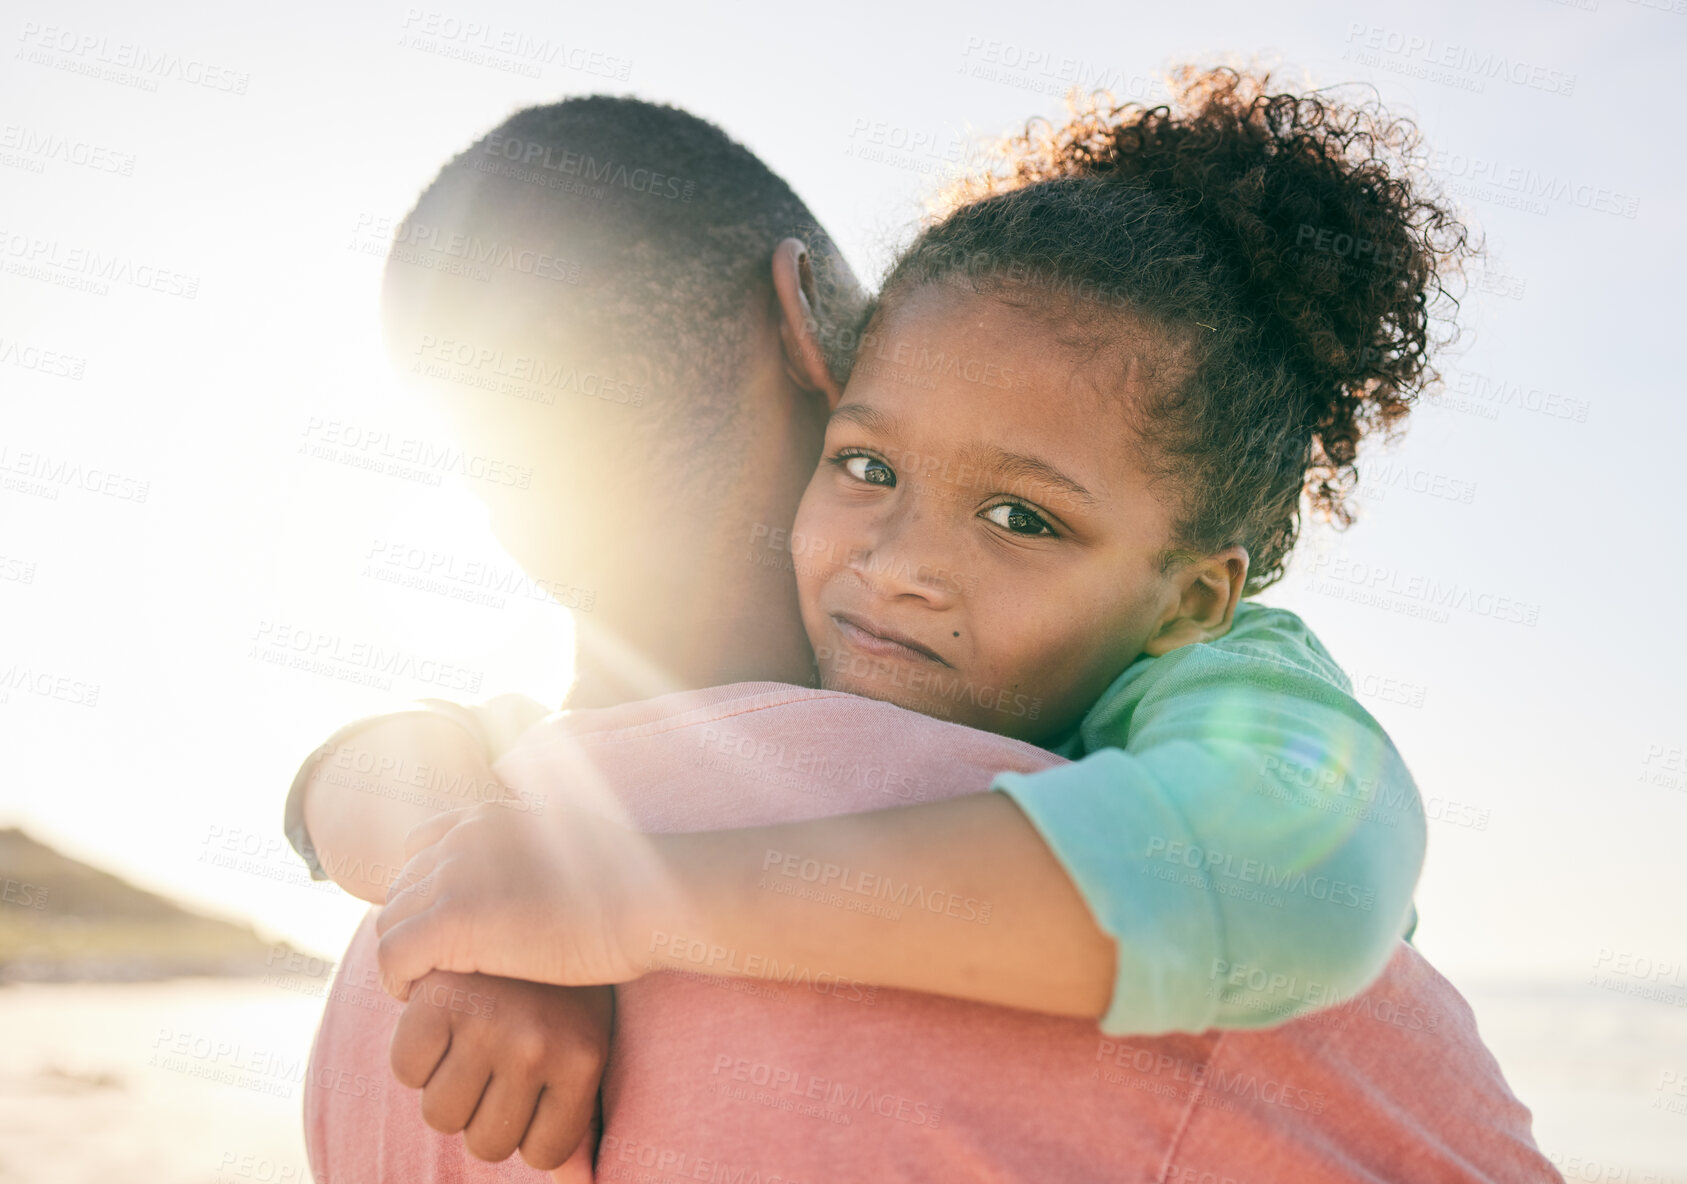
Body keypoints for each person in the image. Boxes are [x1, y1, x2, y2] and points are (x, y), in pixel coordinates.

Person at [290, 83, 1559, 1181]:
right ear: (818, 336)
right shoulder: (638, 752)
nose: (900, 569)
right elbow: (361, 767)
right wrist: (475, 905)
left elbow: (1297, 882)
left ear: (1188, 600)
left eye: (1020, 515)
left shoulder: (1225, 682)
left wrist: (623, 901)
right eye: (866, 464)